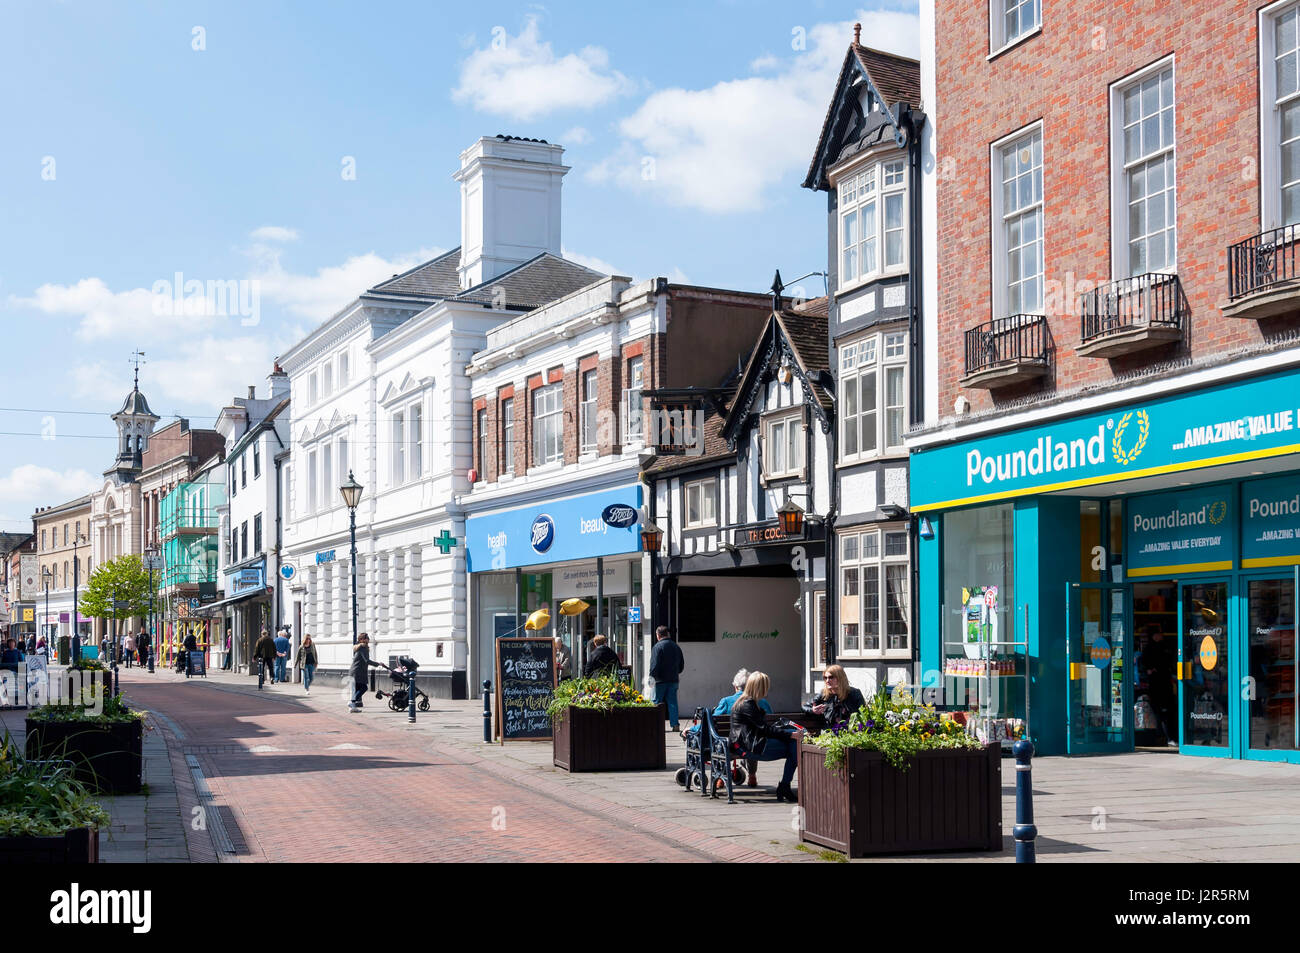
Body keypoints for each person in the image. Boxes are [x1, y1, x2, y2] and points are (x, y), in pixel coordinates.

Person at [729, 671, 803, 802]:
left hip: (747, 744)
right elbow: (765, 730)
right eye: (766, 686)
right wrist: (791, 734)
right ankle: (785, 786)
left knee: (794, 747)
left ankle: (785, 786)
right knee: (795, 747)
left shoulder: (746, 702)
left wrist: (788, 734)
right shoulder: (748, 704)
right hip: (749, 747)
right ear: (761, 687)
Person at [803, 664, 866, 730]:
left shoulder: (854, 693)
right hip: (829, 734)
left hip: (851, 733)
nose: (827, 681)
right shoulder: (824, 694)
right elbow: (805, 706)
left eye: (831, 677)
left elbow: (863, 714)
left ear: (840, 678)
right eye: (825, 678)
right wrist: (813, 710)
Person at [649, 625, 685, 731]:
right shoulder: (676, 646)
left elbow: (654, 665)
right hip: (673, 679)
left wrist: (652, 678)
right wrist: (675, 672)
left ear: (658, 635)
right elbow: (681, 664)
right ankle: (675, 725)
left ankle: (655, 724)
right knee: (672, 702)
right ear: (667, 634)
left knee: (656, 702)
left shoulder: (657, 647)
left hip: (659, 680)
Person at [348, 633, 379, 712]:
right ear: (361, 639)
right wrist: (377, 664)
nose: (367, 639)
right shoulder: (363, 647)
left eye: (367, 638)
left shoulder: (360, 647)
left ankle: (353, 708)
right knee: (364, 688)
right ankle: (352, 702)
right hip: (358, 672)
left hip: (356, 671)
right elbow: (367, 661)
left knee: (357, 689)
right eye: (366, 638)